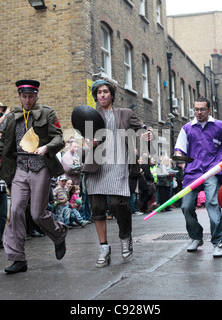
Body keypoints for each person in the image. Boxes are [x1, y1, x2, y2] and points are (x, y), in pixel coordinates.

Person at [0, 79, 68, 274]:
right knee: (16, 212)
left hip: (40, 167)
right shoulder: (12, 116)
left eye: (31, 96)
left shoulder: (47, 112)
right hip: (20, 168)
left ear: (36, 96)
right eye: (24, 96)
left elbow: (59, 138)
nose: (27, 100)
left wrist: (47, 147)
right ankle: (18, 258)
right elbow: (4, 142)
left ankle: (59, 234)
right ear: (19, 96)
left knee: (37, 214)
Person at [82, 79, 152, 268]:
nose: (102, 95)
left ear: (112, 94)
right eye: (99, 92)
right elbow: (86, 144)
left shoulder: (125, 114)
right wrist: (90, 144)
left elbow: (143, 128)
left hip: (118, 164)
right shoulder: (91, 117)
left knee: (117, 204)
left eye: (105, 91)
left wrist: (147, 133)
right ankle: (104, 248)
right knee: (97, 209)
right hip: (97, 166)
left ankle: (125, 236)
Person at [174, 96, 222, 258]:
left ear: (209, 110)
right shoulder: (187, 128)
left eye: (202, 109)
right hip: (192, 172)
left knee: (212, 203)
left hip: (211, 171)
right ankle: (196, 237)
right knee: (186, 206)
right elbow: (179, 149)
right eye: (196, 109)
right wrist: (179, 155)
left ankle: (217, 242)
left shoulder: (220, 126)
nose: (199, 112)